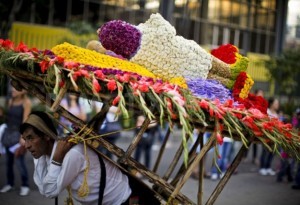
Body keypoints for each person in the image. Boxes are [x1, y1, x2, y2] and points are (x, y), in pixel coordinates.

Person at [20, 111, 131, 205]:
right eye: (25, 139)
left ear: (46, 136)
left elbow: (49, 191)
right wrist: (52, 159)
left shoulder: (72, 153)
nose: (27, 145)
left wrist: (56, 159)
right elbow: (43, 188)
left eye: (30, 138)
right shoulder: (43, 155)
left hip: (121, 199)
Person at [0, 87, 31, 196]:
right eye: (12, 88)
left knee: (20, 161)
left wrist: (23, 137)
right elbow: (8, 119)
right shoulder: (10, 101)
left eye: (15, 88)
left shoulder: (26, 102)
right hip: (8, 134)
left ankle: (25, 185)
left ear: (23, 90)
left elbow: (25, 121)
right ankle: (10, 183)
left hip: (18, 135)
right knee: (8, 162)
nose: (12, 90)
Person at [259, 97, 279, 176]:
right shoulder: (267, 112)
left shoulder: (276, 114)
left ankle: (268, 167)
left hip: (274, 137)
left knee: (272, 152)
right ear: (271, 104)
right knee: (265, 151)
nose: (277, 105)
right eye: (276, 103)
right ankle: (262, 167)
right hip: (266, 135)